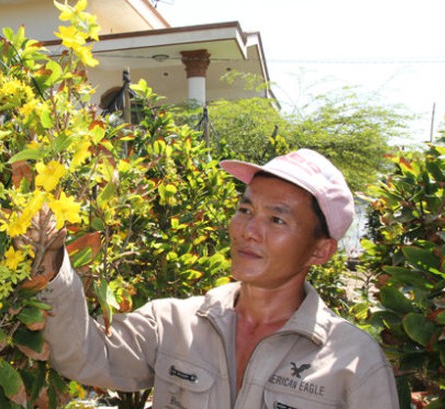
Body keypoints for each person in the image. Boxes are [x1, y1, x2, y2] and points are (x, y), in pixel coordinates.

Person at [29, 149, 399, 408]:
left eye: (277, 219)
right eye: (245, 209)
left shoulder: (353, 361)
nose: (248, 230)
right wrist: (51, 261)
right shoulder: (173, 323)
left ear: (320, 251)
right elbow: (85, 356)